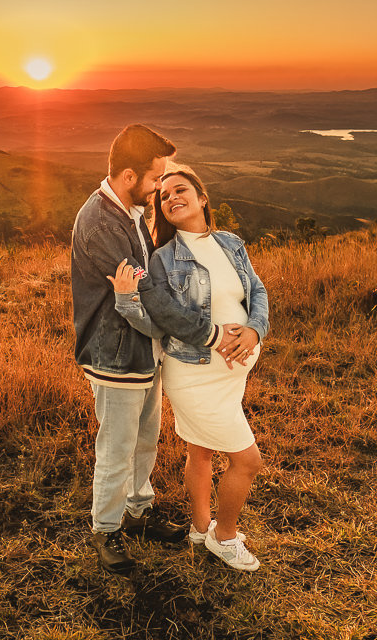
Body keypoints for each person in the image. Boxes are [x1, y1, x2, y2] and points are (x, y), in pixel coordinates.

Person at [70, 126, 239, 575]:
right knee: (116, 449)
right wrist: (209, 334)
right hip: (116, 356)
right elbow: (149, 295)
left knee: (145, 440)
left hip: (144, 352)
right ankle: (106, 530)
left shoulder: (128, 211)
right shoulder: (100, 224)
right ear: (129, 176)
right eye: (154, 179)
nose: (159, 188)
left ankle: (138, 512)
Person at [110, 166, 269, 571]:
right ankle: (224, 536)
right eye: (163, 196)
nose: (171, 198)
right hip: (194, 374)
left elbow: (256, 289)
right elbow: (165, 318)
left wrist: (254, 329)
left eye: (180, 190)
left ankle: (200, 529)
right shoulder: (162, 259)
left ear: (202, 198)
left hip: (231, 375)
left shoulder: (230, 243)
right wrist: (217, 337)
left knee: (200, 451)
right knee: (248, 461)